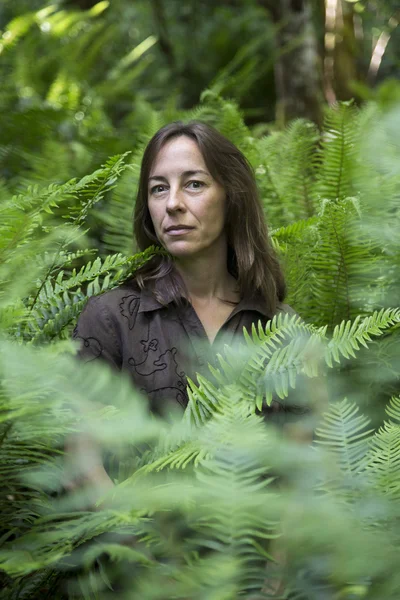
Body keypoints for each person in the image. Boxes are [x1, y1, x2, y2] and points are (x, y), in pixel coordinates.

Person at [73, 120, 294, 417]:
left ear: (231, 198)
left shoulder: (282, 327)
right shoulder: (110, 320)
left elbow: (315, 453)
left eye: (194, 184)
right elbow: (84, 453)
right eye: (159, 188)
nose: (173, 203)